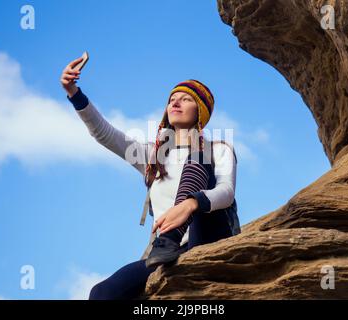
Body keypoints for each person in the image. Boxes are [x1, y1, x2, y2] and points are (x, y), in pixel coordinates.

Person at [60, 56, 238, 300]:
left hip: (209, 235)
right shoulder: (153, 158)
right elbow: (104, 134)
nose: (175, 103)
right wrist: (73, 92)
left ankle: (171, 238)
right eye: (172, 100)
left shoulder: (218, 149)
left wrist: (190, 204)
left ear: (200, 111)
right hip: (167, 253)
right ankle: (168, 243)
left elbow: (227, 193)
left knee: (199, 156)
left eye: (186, 99)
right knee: (101, 293)